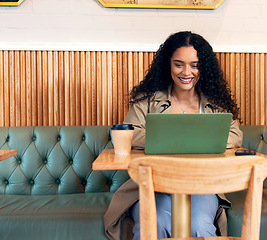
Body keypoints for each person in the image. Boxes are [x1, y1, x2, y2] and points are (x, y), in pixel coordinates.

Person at [103, 31, 243, 240]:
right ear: (168, 65)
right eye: (179, 64)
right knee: (154, 222)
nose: (187, 72)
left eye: (194, 65)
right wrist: (191, 139)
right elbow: (130, 133)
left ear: (203, 68)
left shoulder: (215, 103)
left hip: (202, 186)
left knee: (199, 226)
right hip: (152, 185)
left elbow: (234, 134)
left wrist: (175, 139)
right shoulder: (147, 101)